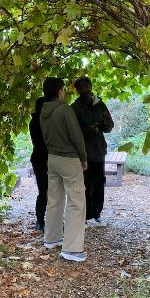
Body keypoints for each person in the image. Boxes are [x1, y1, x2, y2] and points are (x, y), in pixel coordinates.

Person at [40, 77, 88, 263]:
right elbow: (77, 137)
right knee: (76, 202)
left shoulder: (43, 110)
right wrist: (83, 158)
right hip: (69, 160)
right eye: (64, 90)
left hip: (52, 158)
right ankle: (72, 249)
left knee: (54, 199)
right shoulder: (64, 109)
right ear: (60, 90)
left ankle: (51, 238)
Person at [72, 76, 114, 227]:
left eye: (87, 88)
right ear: (77, 91)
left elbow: (110, 127)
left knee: (99, 183)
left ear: (91, 87)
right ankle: (84, 215)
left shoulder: (100, 104)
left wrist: (104, 124)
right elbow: (72, 131)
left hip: (99, 151)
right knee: (84, 185)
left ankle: (97, 213)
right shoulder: (74, 108)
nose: (85, 91)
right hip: (82, 153)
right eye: (81, 89)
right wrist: (87, 130)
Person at [29, 97, 48, 232]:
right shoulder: (38, 122)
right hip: (42, 159)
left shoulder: (35, 121)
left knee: (44, 191)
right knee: (44, 191)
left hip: (40, 158)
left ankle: (41, 220)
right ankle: (40, 220)